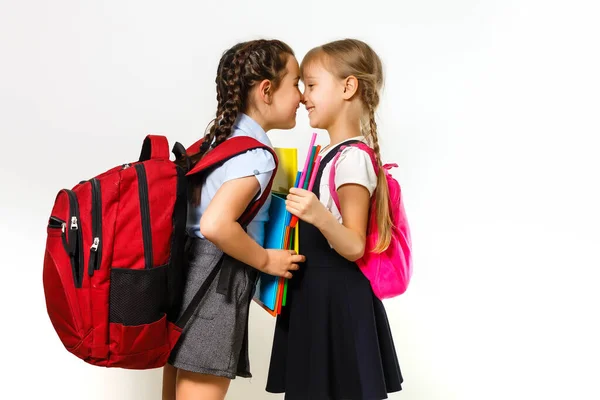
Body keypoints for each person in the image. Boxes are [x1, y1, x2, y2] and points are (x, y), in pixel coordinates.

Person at [162, 39, 305, 400]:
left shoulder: (219, 140)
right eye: (296, 83)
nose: (302, 96)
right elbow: (216, 225)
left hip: (185, 279)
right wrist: (267, 259)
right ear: (267, 91)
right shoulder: (257, 156)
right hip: (214, 286)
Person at [266, 39, 403, 400]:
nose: (302, 95)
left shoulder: (353, 159)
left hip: (338, 303)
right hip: (314, 299)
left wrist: (318, 215)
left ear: (348, 87)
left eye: (311, 85)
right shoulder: (326, 153)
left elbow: (355, 246)